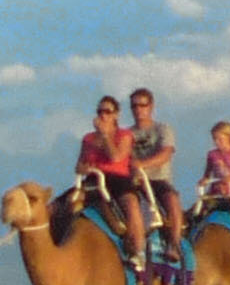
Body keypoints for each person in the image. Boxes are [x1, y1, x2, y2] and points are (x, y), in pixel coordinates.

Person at [78, 94, 143, 263]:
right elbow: (79, 165)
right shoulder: (88, 138)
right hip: (93, 179)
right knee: (61, 206)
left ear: (116, 115)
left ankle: (137, 249)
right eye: (100, 111)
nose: (103, 115)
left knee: (131, 204)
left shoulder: (124, 135)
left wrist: (105, 135)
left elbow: (116, 157)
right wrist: (84, 168)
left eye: (107, 111)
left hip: (117, 179)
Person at [123, 87, 183, 252]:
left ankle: (174, 244)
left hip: (158, 181)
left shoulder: (162, 129)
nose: (138, 110)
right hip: (135, 182)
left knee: (172, 200)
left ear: (151, 107)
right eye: (134, 106)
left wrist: (141, 164)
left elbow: (165, 154)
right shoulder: (127, 133)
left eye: (142, 105)